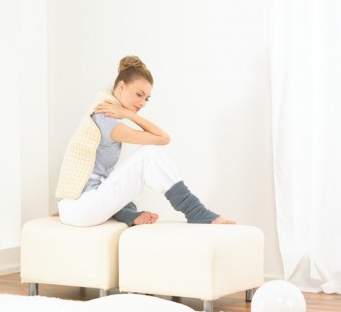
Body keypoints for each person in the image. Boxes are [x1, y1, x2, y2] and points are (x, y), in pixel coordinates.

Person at [55, 55, 235, 227]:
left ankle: (127, 214)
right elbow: (163, 138)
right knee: (148, 155)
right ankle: (195, 211)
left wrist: (126, 113)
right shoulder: (105, 121)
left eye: (146, 99)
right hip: (82, 207)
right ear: (121, 87)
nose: (142, 103)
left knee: (132, 169)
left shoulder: (98, 115)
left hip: (74, 206)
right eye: (139, 94)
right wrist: (129, 114)